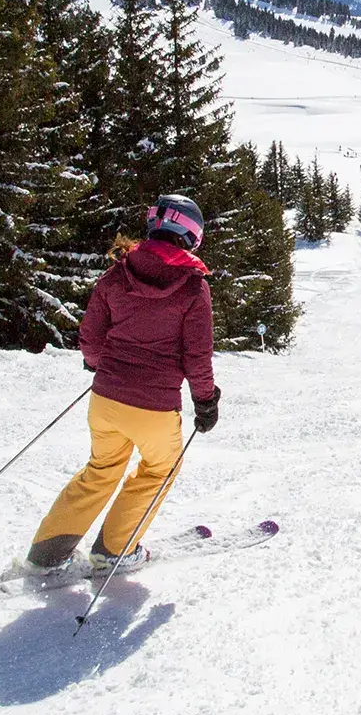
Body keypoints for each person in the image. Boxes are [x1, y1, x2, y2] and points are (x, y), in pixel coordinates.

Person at [27, 195, 221, 572]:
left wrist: (102, 366)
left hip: (105, 400)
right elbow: (197, 356)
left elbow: (90, 338)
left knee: (100, 470)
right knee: (160, 468)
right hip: (155, 408)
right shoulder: (192, 286)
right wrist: (205, 401)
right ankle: (115, 549)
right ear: (191, 235)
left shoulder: (118, 272)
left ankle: (47, 553)